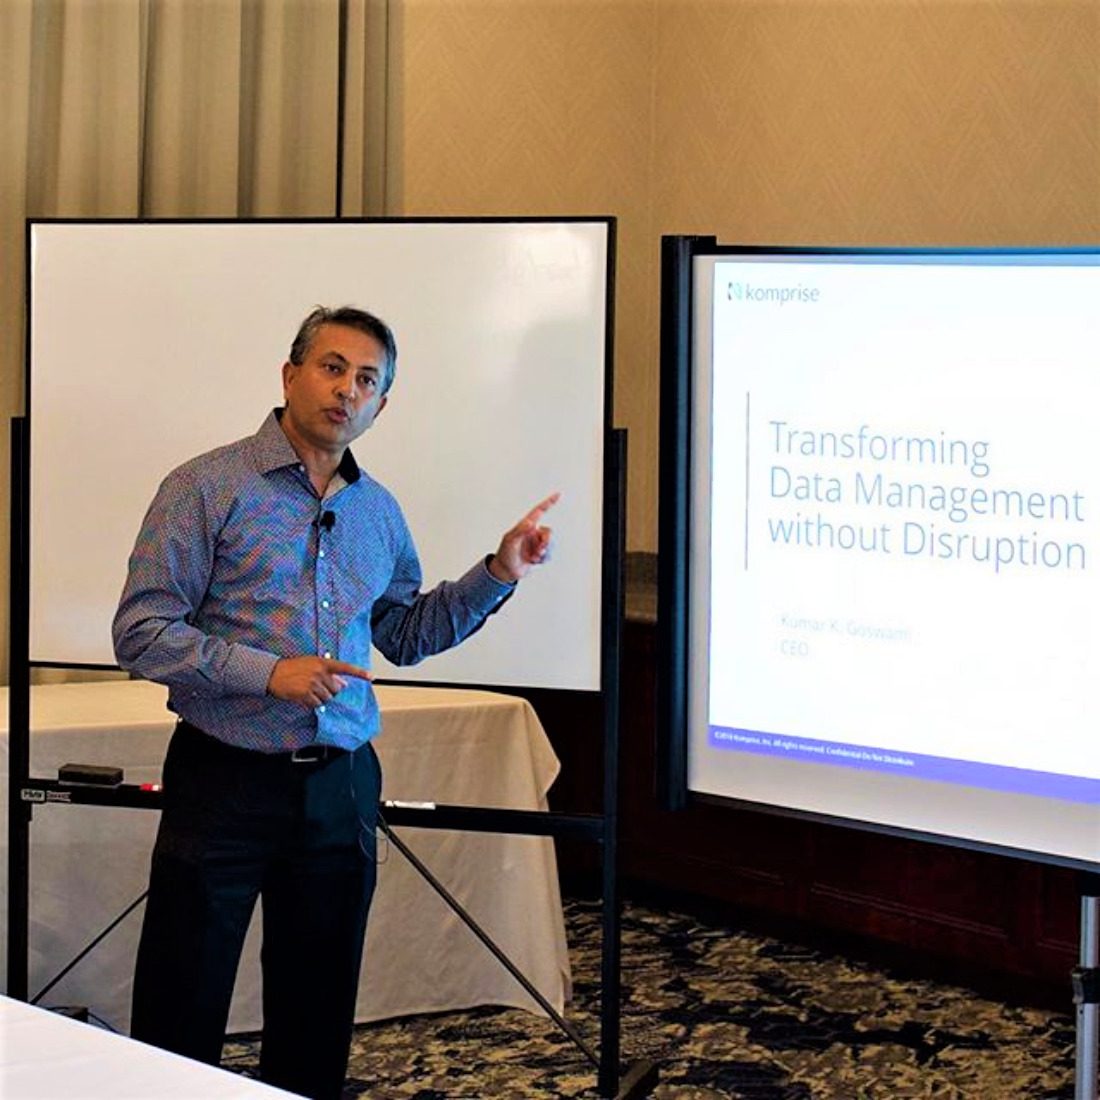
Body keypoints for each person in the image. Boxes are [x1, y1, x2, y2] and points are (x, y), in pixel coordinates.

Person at [112, 305, 557, 1099]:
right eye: (332, 367)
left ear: (381, 405)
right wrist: (267, 673)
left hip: (339, 783)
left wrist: (498, 571)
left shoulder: (377, 511)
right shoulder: (205, 487)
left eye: (367, 380)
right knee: (184, 994)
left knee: (316, 1010)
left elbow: (405, 634)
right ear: (290, 375)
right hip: (225, 776)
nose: (347, 389)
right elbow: (142, 632)